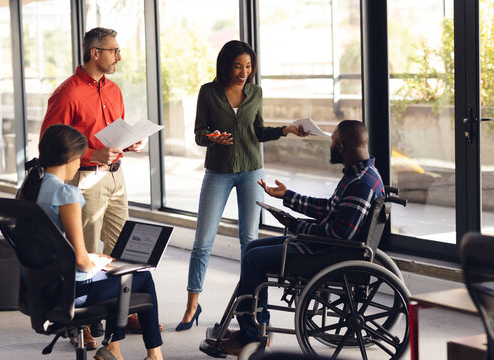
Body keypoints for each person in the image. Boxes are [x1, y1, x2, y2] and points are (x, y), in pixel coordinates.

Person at [205, 120, 385, 355]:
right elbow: (329, 209)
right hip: (327, 247)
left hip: (326, 253)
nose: (330, 146)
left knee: (253, 259)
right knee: (252, 248)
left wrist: (295, 225)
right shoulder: (361, 175)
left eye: (332, 141)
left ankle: (250, 336)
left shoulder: (360, 184)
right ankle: (255, 328)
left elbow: (340, 235)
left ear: (341, 146)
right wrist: (288, 196)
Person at [177, 40, 309, 331]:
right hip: (218, 172)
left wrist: (285, 130)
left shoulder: (256, 93)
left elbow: (258, 131)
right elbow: (200, 133)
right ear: (226, 65)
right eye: (238, 66)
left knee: (249, 242)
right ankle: (191, 307)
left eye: (248, 66)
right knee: (202, 243)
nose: (244, 72)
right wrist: (212, 138)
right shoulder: (208, 92)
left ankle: (252, 310)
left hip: (251, 171)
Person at [40, 27, 152, 343]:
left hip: (115, 176)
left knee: (124, 247)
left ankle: (123, 308)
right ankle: (80, 324)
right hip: (85, 178)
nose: (119, 56)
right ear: (95, 53)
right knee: (86, 249)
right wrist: (92, 152)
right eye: (114, 50)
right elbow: (49, 145)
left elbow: (112, 134)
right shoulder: (67, 93)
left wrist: (129, 143)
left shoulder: (114, 91)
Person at [18, 124, 163, 360]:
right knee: (142, 277)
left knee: (117, 273)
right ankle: (153, 356)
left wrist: (93, 258)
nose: (80, 164)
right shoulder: (66, 194)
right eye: (79, 158)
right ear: (72, 159)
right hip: (72, 292)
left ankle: (115, 349)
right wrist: (94, 262)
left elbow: (57, 247)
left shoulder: (28, 189)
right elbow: (80, 262)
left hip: (39, 289)